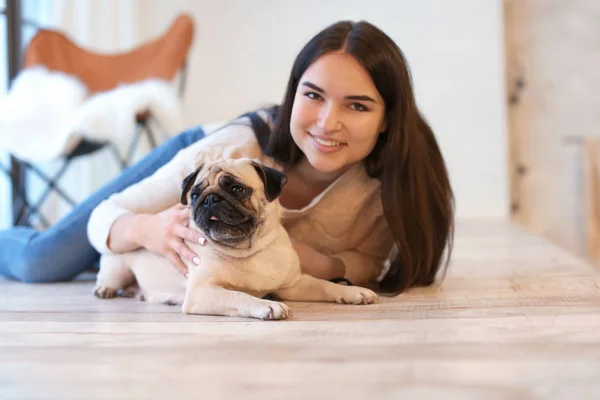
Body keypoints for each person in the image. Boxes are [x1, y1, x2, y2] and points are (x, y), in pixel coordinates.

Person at [0, 20, 454, 295]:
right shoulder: (229, 151)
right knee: (43, 262)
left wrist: (321, 263)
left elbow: (370, 263)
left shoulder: (386, 184)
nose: (327, 122)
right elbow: (107, 215)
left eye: (357, 105)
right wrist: (147, 229)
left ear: (388, 119)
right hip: (200, 159)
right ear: (292, 94)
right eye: (312, 95)